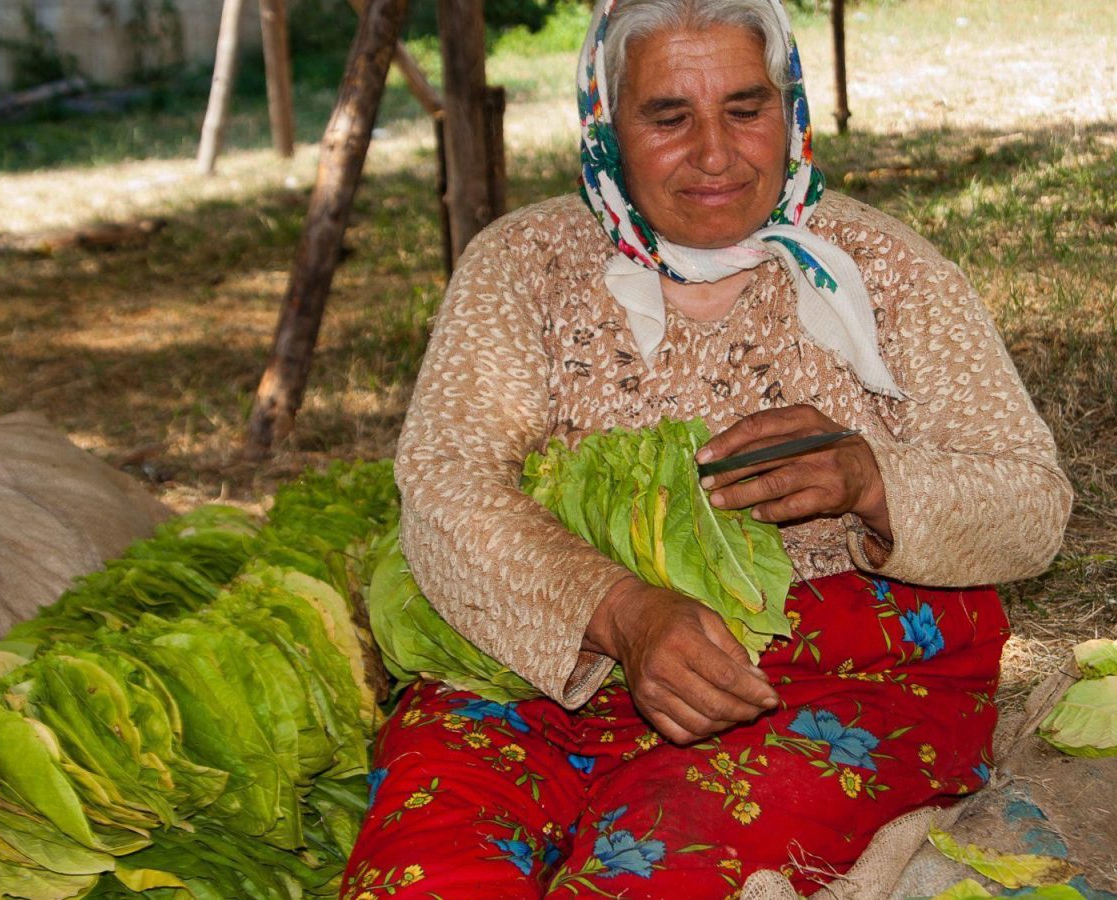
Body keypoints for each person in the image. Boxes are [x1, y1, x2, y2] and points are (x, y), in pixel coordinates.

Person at [339, 0, 1071, 895]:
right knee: (426, 875)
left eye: (745, 107)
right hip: (527, 666)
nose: (716, 154)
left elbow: (1031, 504)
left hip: (821, 679)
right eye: (668, 115)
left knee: (656, 871)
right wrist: (623, 612)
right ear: (606, 126)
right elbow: (447, 486)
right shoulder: (523, 267)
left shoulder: (886, 271)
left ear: (789, 108)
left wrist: (869, 477)